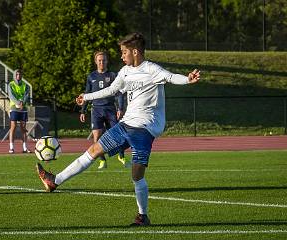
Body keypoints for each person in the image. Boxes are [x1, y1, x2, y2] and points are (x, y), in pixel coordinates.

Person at [36, 33, 200, 226]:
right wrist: (86, 97)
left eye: (124, 52)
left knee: (137, 176)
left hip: (144, 130)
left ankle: (142, 215)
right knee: (94, 150)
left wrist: (188, 79)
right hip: (125, 125)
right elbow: (111, 90)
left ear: (135, 52)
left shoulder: (151, 69)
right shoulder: (124, 71)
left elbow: (171, 77)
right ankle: (55, 180)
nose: (121, 56)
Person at [80, 50, 129, 169]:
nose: (102, 62)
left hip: (110, 109)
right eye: (99, 60)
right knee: (97, 137)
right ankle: (102, 160)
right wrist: (83, 110)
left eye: (104, 60)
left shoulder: (112, 75)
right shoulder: (91, 76)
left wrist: (120, 108)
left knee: (118, 134)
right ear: (96, 62)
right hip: (96, 110)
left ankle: (121, 156)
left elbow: (118, 93)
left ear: (107, 61)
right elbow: (87, 93)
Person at [7, 69, 31, 154]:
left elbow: (26, 95)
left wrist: (22, 103)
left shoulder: (25, 85)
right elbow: (11, 95)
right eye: (17, 74)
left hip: (23, 108)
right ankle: (11, 147)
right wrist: (18, 103)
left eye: (20, 74)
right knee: (13, 127)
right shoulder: (11, 84)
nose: (18, 76)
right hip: (14, 108)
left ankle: (25, 148)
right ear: (14, 75)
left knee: (23, 128)